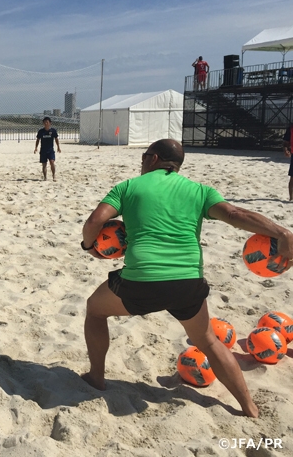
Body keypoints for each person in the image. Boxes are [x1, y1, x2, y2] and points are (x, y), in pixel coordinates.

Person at [80, 139, 293, 418]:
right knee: (208, 342)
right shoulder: (198, 190)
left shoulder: (129, 187)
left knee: (95, 310)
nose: (141, 162)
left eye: (144, 157)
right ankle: (249, 407)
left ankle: (96, 378)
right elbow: (235, 214)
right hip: (187, 283)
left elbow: (96, 220)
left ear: (153, 158)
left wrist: (88, 246)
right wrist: (282, 232)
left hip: (140, 281)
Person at [34, 116, 62, 181]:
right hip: (43, 150)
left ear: (50, 123)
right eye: (44, 122)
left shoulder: (53, 131)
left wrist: (58, 147)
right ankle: (45, 177)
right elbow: (38, 140)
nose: (46, 123)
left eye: (47, 122)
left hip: (50, 150)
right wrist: (36, 148)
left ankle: (54, 175)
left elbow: (56, 139)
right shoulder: (41, 131)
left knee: (52, 162)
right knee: (44, 164)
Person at [283, 125, 293, 201]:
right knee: (292, 177)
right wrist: (286, 150)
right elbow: (286, 142)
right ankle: (291, 198)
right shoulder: (290, 128)